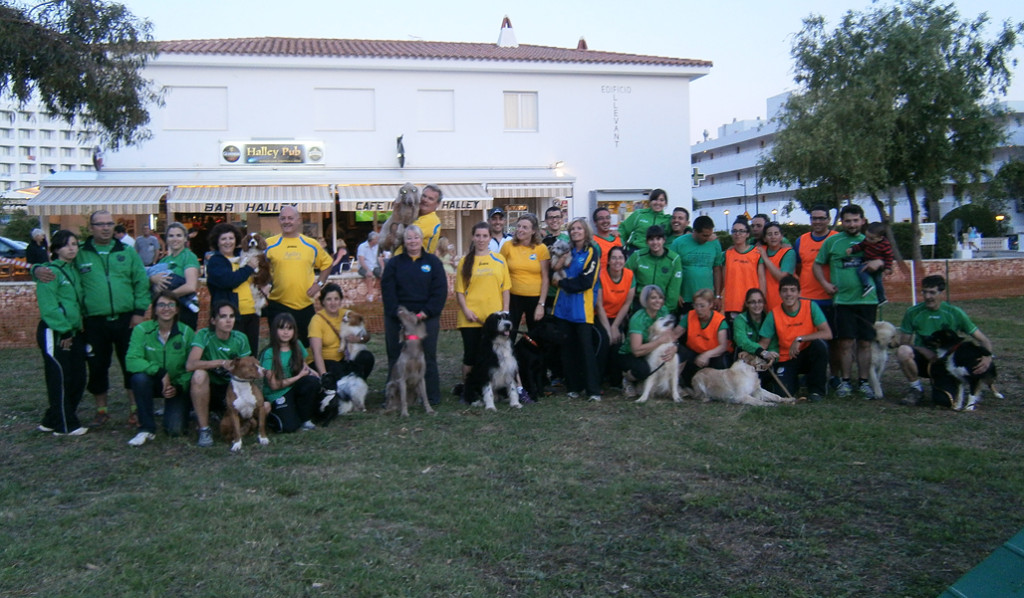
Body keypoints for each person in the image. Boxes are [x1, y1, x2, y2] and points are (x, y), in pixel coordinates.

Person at [33, 210, 151, 427]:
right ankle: (101, 410)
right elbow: (58, 265)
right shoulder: (80, 253)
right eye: (100, 224)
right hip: (94, 322)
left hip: (126, 319)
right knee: (97, 366)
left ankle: (135, 410)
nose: (105, 228)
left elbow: (140, 282)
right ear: (92, 227)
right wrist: (36, 268)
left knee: (131, 364)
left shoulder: (127, 251)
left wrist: (139, 312)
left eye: (109, 223)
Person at [895, 275, 994, 406]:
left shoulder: (955, 313)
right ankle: (916, 388)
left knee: (944, 402)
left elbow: (983, 339)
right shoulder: (913, 312)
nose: (927, 296)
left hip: (947, 364)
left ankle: (941, 385)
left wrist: (988, 357)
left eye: (932, 292)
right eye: (924, 292)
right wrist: (924, 350)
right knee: (903, 351)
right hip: (923, 361)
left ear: (942, 293)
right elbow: (904, 343)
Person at [813, 204, 880, 398]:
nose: (851, 224)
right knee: (845, 343)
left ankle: (864, 382)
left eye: (855, 220)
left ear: (862, 221)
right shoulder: (833, 242)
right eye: (848, 221)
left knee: (865, 343)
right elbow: (817, 265)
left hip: (868, 301)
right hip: (843, 302)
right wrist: (825, 284)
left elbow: (887, 261)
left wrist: (880, 262)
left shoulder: (872, 241)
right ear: (842, 222)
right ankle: (845, 382)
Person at [381, 225, 448, 406]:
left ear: (421, 240)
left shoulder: (433, 262)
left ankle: (431, 397)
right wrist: (399, 313)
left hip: (426, 317)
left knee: (428, 355)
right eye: (409, 238)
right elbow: (387, 290)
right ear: (404, 241)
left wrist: (424, 313)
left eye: (415, 238)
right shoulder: (394, 263)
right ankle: (392, 396)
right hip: (398, 317)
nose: (412, 241)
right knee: (395, 355)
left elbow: (440, 290)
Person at [34, 230, 87, 436]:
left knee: (78, 377)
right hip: (55, 332)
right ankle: (65, 425)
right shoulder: (49, 272)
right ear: (56, 249)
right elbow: (48, 307)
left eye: (74, 244)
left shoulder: (74, 270)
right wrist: (64, 331)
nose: (72, 248)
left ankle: (51, 419)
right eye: (66, 245)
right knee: (60, 377)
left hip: (73, 331)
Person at [125, 291, 195, 445]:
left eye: (171, 305)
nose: (166, 309)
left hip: (175, 385)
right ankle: (146, 428)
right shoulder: (142, 330)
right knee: (138, 378)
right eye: (161, 305)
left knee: (175, 430)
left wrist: (178, 385)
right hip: (152, 381)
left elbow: (192, 366)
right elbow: (131, 360)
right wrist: (160, 372)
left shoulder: (186, 332)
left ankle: (182, 411)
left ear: (177, 309)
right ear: (155, 309)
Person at [456, 222, 511, 396]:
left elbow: (506, 289)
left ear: (490, 238)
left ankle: (491, 390)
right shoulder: (465, 261)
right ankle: (469, 392)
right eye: (478, 235)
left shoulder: (499, 259)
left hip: (494, 320)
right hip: (470, 318)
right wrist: (466, 311)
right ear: (473, 237)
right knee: (471, 356)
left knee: (492, 356)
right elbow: (459, 291)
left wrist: (505, 314)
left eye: (485, 236)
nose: (481, 239)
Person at [264, 205, 333, 346]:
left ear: (299, 220)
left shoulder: (311, 244)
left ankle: (305, 368)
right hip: (278, 305)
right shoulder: (268, 244)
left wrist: (319, 284)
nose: (286, 221)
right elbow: (257, 268)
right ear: (279, 221)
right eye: (283, 218)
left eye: (290, 218)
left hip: (305, 306)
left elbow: (327, 264)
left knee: (306, 348)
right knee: (279, 347)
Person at [187, 300, 252, 448]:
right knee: (199, 374)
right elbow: (190, 364)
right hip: (210, 385)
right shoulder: (204, 335)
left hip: (232, 387)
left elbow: (248, 370)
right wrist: (219, 363)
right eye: (223, 316)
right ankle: (204, 429)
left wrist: (236, 368)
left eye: (231, 316)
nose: (229, 320)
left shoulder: (241, 338)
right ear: (213, 320)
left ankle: (226, 416)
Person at [758, 275, 832, 401]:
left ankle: (816, 391)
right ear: (780, 294)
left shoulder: (810, 306)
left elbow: (827, 333)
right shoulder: (774, 314)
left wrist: (800, 339)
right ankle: (794, 383)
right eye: (785, 290)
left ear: (799, 293)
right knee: (782, 393)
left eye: (792, 290)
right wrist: (751, 352)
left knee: (820, 346)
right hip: (787, 358)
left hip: (808, 354)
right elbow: (764, 343)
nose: (788, 294)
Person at [551, 217, 601, 400]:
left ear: (586, 231)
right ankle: (573, 386)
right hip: (563, 308)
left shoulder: (591, 252)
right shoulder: (566, 251)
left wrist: (563, 283)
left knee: (586, 350)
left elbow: (587, 281)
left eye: (579, 228)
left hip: (582, 309)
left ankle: (593, 390)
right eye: (572, 229)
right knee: (567, 350)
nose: (575, 232)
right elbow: (553, 272)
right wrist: (559, 280)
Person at [793, 205, 839, 383]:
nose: (818, 222)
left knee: (834, 341)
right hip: (807, 299)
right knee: (807, 341)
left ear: (828, 219)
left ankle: (835, 376)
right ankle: (810, 374)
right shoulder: (801, 240)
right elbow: (799, 266)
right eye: (814, 218)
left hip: (831, 299)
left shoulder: (836, 238)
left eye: (821, 218)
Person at [204, 222, 262, 354]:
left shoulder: (243, 256)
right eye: (223, 239)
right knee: (233, 354)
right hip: (231, 316)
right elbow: (229, 280)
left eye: (231, 238)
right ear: (217, 242)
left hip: (252, 312)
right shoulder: (216, 261)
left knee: (251, 352)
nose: (228, 242)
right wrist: (248, 268)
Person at [617, 284, 680, 398]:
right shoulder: (638, 318)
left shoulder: (663, 311)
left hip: (652, 351)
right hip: (631, 354)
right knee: (643, 370)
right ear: (645, 300)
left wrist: (674, 347)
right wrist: (659, 341)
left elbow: (670, 335)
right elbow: (636, 350)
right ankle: (627, 380)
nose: (658, 301)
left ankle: (669, 387)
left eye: (660, 298)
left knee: (681, 354)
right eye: (653, 298)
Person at [262, 312, 321, 432]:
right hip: (278, 393)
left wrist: (314, 373)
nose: (286, 332)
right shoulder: (269, 353)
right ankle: (272, 413)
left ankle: (305, 418)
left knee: (312, 382)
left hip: (293, 388)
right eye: (281, 328)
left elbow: (303, 365)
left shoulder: (297, 345)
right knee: (289, 427)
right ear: (274, 330)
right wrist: (299, 376)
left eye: (289, 328)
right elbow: (274, 385)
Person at [309, 282, 375, 381]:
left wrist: (358, 338)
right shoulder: (317, 320)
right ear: (323, 302)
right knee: (338, 370)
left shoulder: (348, 314)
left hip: (344, 359)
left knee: (367, 357)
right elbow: (316, 352)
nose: (333, 303)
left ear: (340, 301)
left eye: (336, 299)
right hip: (325, 361)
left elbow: (366, 335)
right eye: (329, 299)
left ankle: (357, 385)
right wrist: (324, 376)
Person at [500, 213, 550, 335]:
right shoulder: (508, 246)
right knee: (508, 334)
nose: (520, 230)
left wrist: (541, 304)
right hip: (513, 297)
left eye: (525, 227)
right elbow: (500, 272)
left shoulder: (541, 248)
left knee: (536, 335)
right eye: (519, 226)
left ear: (533, 231)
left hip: (535, 298)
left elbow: (545, 278)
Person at [596, 245, 635, 386]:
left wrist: (615, 326)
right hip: (601, 316)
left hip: (618, 316)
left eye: (620, 258)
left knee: (617, 343)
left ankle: (615, 381)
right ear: (608, 260)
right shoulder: (601, 275)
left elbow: (627, 303)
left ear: (624, 260)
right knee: (604, 340)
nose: (617, 261)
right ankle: (597, 380)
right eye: (613, 258)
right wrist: (608, 329)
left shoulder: (630, 275)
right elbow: (599, 305)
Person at [150, 222, 201, 330]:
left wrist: (168, 296)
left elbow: (190, 286)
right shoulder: (164, 260)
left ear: (185, 239)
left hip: (184, 309)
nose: (175, 239)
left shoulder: (189, 257)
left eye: (179, 235)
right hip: (166, 311)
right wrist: (153, 279)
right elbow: (154, 283)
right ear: (166, 239)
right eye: (171, 236)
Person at [670, 215, 724, 314]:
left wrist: (717, 295)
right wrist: (676, 293)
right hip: (685, 298)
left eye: (710, 234)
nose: (708, 238)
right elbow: (671, 270)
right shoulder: (678, 243)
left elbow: (717, 270)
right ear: (694, 231)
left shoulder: (714, 243)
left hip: (707, 298)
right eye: (704, 235)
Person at [677, 288, 730, 388]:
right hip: (694, 353)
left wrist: (707, 355)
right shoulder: (690, 316)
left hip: (713, 355)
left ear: (710, 305)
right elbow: (675, 334)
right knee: (681, 352)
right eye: (696, 305)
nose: (698, 309)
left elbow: (723, 346)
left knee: (720, 362)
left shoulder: (719, 320)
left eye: (702, 306)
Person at [625, 225, 682, 314]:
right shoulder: (637, 256)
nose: (655, 242)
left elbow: (674, 289)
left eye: (658, 239)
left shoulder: (674, 259)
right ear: (647, 242)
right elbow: (626, 278)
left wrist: (666, 310)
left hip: (662, 306)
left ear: (664, 240)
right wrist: (630, 305)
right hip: (639, 304)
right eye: (651, 239)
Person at [722, 218, 764, 319]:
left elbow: (762, 279)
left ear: (747, 234)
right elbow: (724, 282)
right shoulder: (727, 254)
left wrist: (762, 300)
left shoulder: (756, 253)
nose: (738, 234)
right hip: (732, 304)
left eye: (741, 231)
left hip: (752, 304)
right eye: (734, 231)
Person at [845, 221, 894, 304]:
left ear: (880, 238)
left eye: (871, 238)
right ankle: (881, 298)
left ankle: (867, 285)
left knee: (860, 271)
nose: (868, 240)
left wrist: (887, 268)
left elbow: (889, 257)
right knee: (877, 281)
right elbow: (861, 246)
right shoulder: (867, 241)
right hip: (868, 261)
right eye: (867, 237)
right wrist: (852, 249)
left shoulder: (885, 245)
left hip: (877, 265)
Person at [618, 188, 671, 255]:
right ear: (650, 201)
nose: (658, 203)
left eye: (661, 200)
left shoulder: (668, 220)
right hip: (636, 252)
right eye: (655, 199)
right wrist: (619, 248)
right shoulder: (639, 214)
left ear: (665, 203)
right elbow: (623, 230)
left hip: (656, 254)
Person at [758, 222, 796, 312]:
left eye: (776, 233)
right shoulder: (759, 249)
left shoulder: (788, 252)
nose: (773, 237)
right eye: (769, 234)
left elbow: (782, 278)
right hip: (763, 301)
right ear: (765, 238)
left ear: (781, 236)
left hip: (782, 301)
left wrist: (765, 258)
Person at [591, 206, 621, 271]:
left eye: (608, 218)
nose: (605, 221)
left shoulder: (618, 238)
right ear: (595, 222)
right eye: (601, 218)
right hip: (602, 279)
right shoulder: (593, 242)